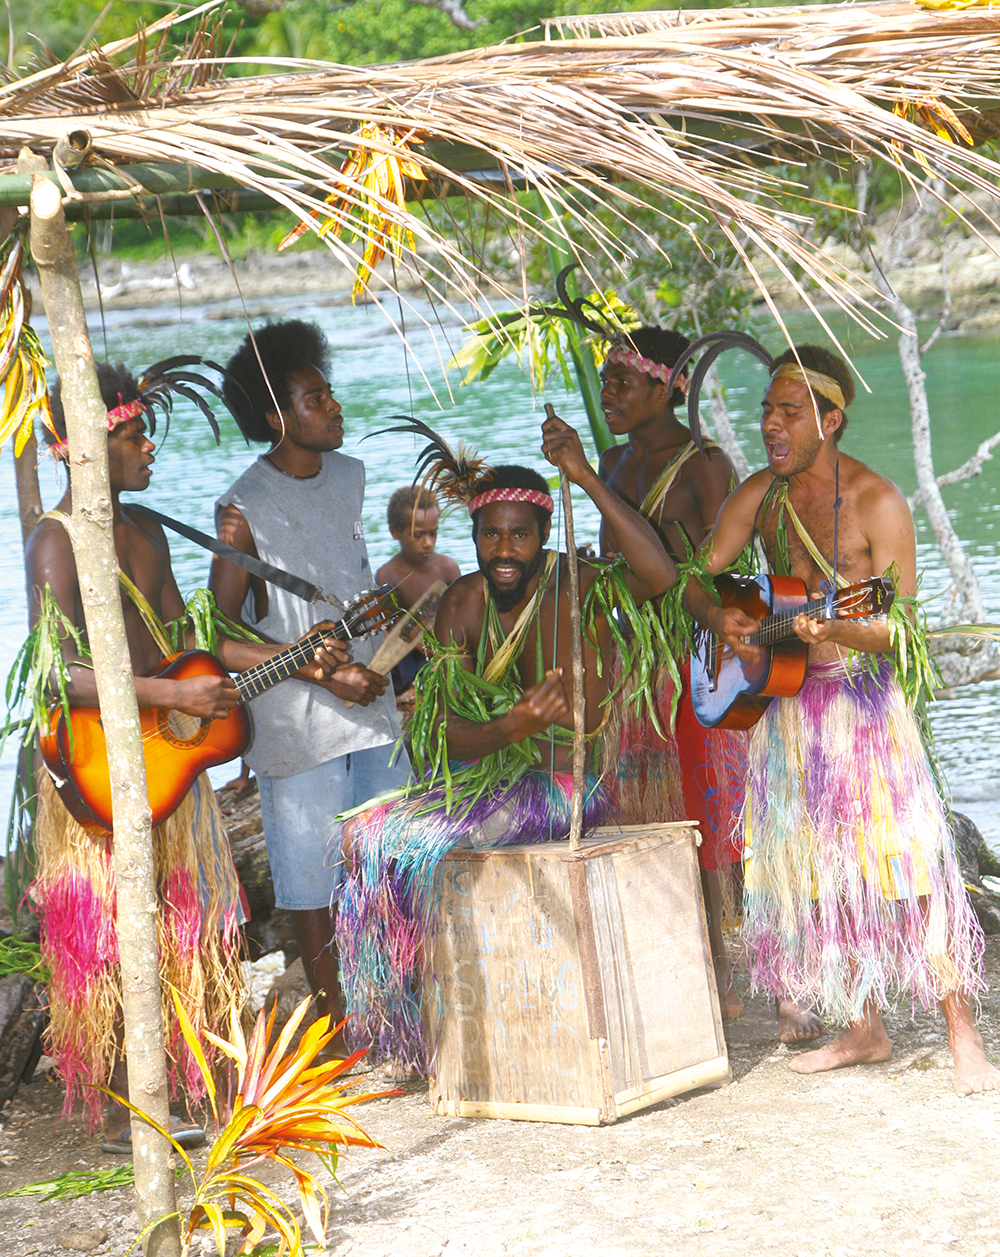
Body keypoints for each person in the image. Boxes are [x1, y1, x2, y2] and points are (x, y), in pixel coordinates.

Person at [24, 362, 348, 1148]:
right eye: (134, 434)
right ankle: (124, 1104)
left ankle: (184, 1078)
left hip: (168, 765)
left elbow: (189, 646)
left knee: (185, 922)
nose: (149, 448)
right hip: (100, 765)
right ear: (83, 447)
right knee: (109, 932)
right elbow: (57, 675)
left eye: (146, 433)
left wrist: (295, 658)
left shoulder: (147, 531)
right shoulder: (56, 541)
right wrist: (170, 694)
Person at [683, 342, 998, 1095]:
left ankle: (964, 1035)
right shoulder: (760, 496)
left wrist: (840, 629)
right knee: (820, 872)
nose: (771, 423)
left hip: (863, 706)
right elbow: (695, 575)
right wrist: (723, 616)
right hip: (787, 707)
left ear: (832, 420)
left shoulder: (877, 502)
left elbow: (899, 629)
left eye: (790, 412)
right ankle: (863, 1026)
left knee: (913, 866)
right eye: (767, 410)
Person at [336, 411, 677, 1069]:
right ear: (474, 536)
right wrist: (510, 727)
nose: (504, 550)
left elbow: (660, 576)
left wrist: (584, 476)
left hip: (566, 790)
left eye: (521, 535)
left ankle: (428, 1033)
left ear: (545, 535)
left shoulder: (579, 585)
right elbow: (439, 738)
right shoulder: (462, 602)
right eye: (491, 534)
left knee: (407, 846)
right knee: (361, 838)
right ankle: (408, 1027)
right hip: (488, 783)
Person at [211, 320, 410, 1050]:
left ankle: (392, 1001)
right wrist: (321, 670)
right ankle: (336, 1021)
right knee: (310, 879)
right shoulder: (242, 509)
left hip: (372, 702)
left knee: (387, 856)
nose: (334, 406)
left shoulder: (351, 477)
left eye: (329, 393)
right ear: (275, 416)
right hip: (297, 720)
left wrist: (379, 616)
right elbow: (216, 634)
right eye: (314, 398)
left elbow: (343, 577)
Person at [597, 326, 752, 1023]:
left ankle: (735, 967)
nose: (608, 394)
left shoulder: (704, 464)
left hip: (697, 653)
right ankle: (680, 961)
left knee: (713, 809)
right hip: (635, 662)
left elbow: (727, 564)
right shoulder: (608, 462)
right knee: (652, 808)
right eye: (605, 381)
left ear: (666, 390)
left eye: (622, 382)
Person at [375, 485, 460, 699]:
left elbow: (461, 614)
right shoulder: (388, 574)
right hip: (410, 655)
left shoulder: (447, 568)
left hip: (445, 646)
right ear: (395, 532)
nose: (428, 543)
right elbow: (390, 627)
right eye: (418, 535)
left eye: (433, 533)